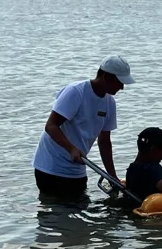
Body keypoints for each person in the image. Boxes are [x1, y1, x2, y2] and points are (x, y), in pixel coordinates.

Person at [32, 55, 135, 199]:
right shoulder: (76, 92)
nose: (122, 88)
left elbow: (104, 142)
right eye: (119, 82)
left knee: (79, 209)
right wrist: (71, 148)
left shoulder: (109, 103)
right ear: (107, 77)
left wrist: (112, 177)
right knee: (56, 210)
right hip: (51, 166)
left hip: (77, 168)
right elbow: (51, 126)